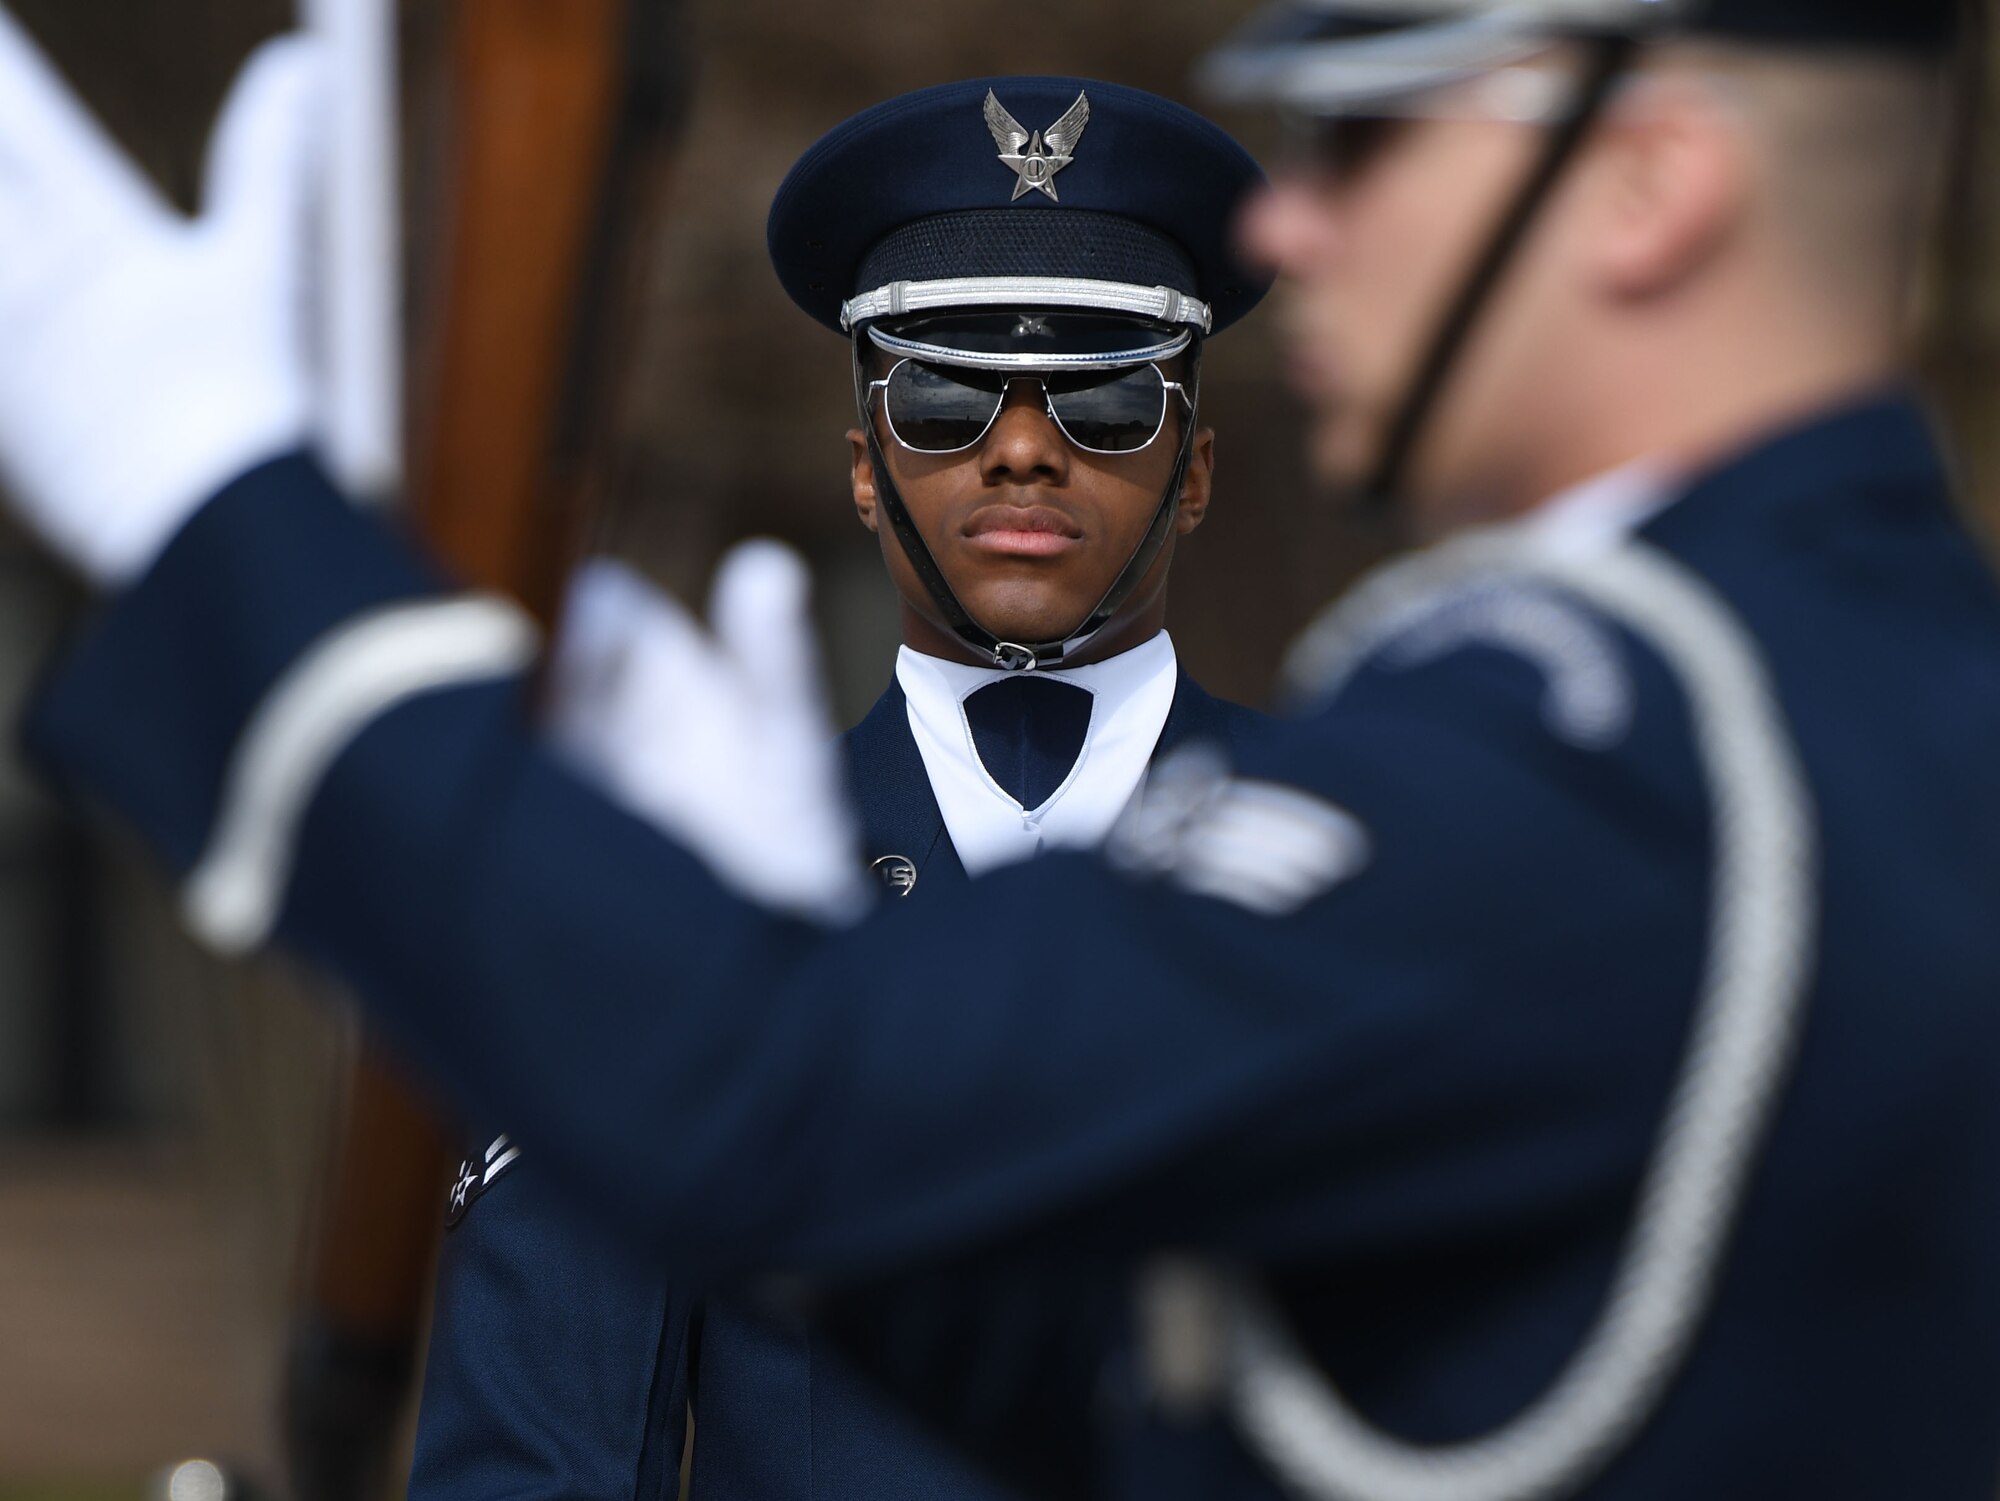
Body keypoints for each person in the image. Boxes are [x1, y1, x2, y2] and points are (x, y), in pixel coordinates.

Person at [2, 0, 1999, 1497]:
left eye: (1374, 132)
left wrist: (211, 512)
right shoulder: (1888, 700)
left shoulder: (1592, 741)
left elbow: (777, 1103)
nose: (1292, 221)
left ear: (1646, 186)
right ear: (873, 465)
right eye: (951, 398)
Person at [405, 77, 1270, 1501]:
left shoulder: (1380, 851)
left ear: (1195, 472)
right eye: (942, 396)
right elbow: (540, 1463)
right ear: (865, 467)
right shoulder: (691, 896)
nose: (1023, 445)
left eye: (1109, 399)